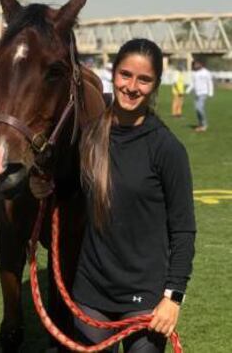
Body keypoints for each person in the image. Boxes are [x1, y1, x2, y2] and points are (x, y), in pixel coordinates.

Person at [30, 38, 196, 352]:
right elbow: (70, 192)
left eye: (144, 79)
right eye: (125, 75)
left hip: (144, 297)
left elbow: (184, 230)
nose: (132, 86)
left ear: (156, 84)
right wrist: (43, 186)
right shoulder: (90, 136)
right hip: (91, 292)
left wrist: (172, 298)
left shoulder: (166, 149)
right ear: (113, 74)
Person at [186, 59, 214, 132]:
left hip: (203, 93)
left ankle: (204, 124)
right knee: (197, 110)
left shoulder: (206, 72)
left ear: (201, 64)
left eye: (197, 64)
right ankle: (200, 124)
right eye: (195, 64)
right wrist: (187, 90)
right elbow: (193, 83)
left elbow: (209, 82)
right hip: (196, 93)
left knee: (199, 108)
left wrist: (210, 92)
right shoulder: (195, 73)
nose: (195, 65)